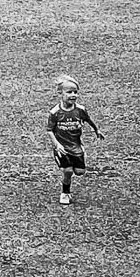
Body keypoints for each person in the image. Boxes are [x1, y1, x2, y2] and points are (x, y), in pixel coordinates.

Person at [47, 75, 104, 205]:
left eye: (75, 92)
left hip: (76, 146)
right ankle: (65, 194)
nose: (73, 95)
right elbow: (49, 130)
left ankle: (78, 156)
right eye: (69, 92)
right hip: (62, 147)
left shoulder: (80, 110)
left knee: (79, 172)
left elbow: (89, 120)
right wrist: (57, 145)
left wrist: (97, 130)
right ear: (60, 93)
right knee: (67, 171)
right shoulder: (55, 112)